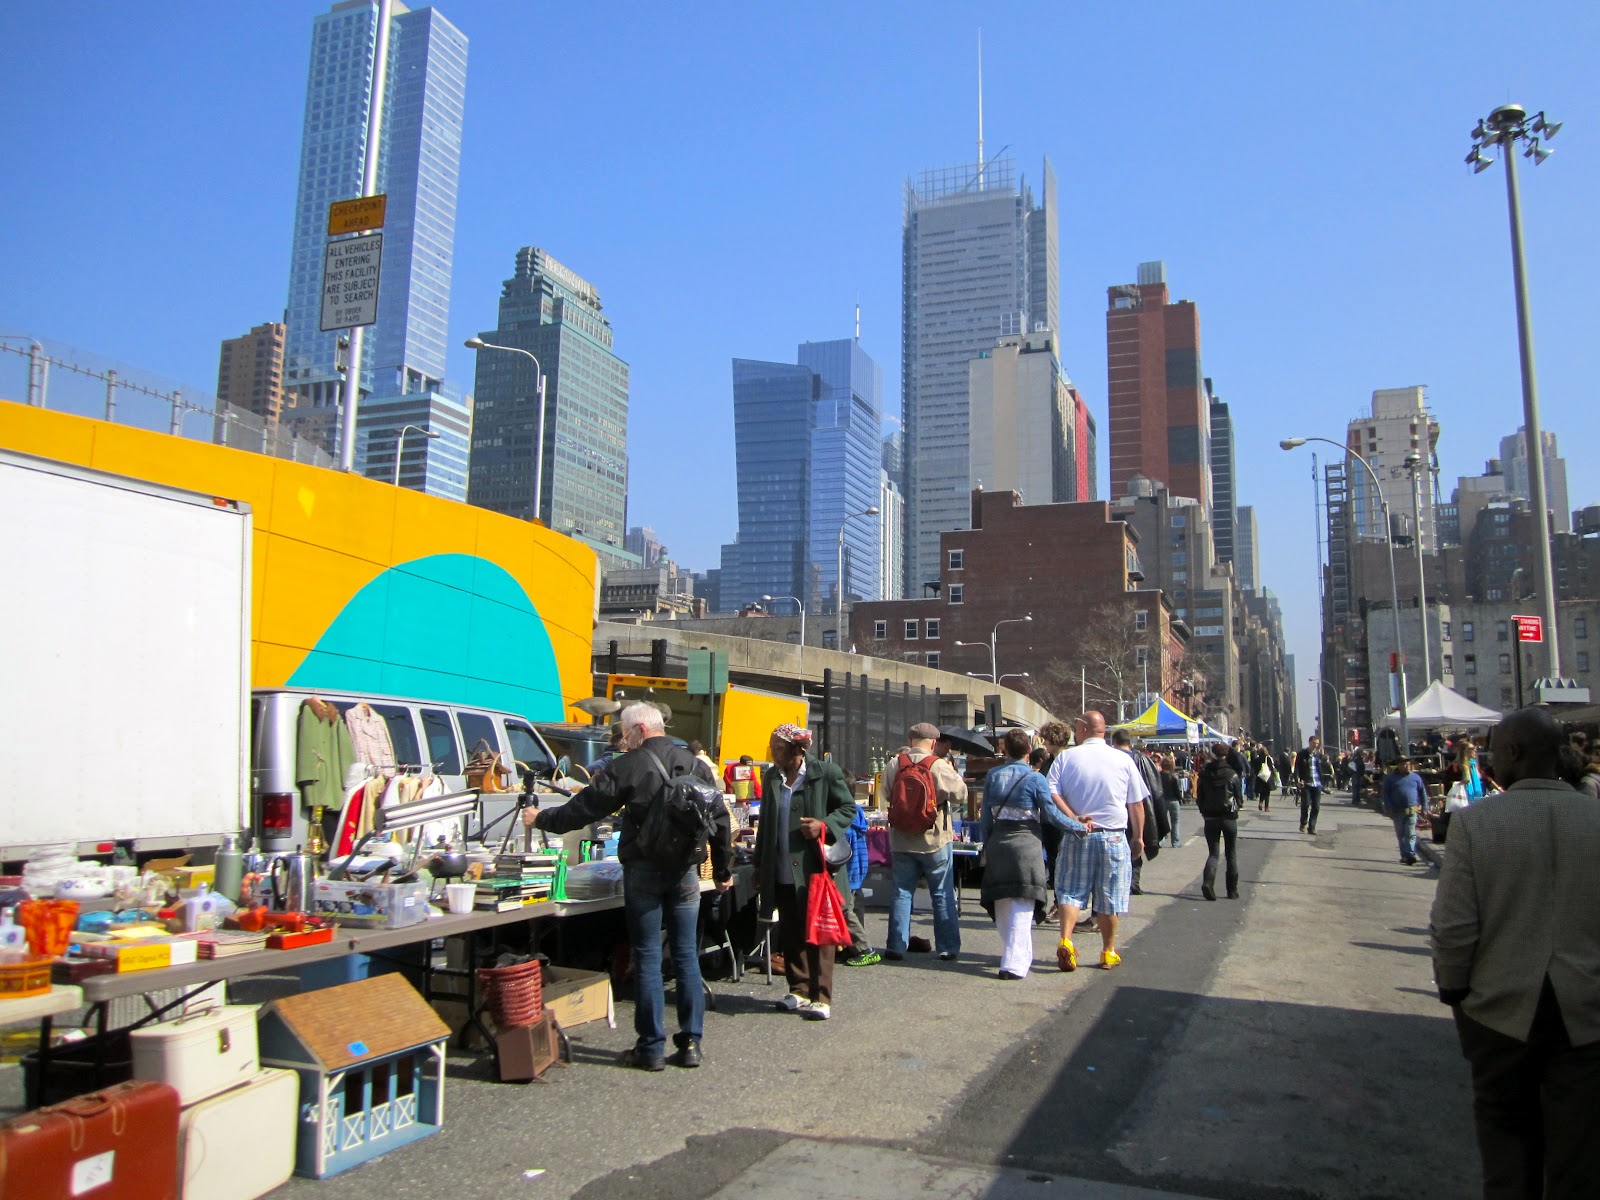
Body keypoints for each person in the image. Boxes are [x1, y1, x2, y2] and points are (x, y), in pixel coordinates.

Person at [1430, 707, 1600, 1197]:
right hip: (1586, 1013)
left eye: (1494, 751)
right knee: (1579, 1150)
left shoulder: (1476, 825)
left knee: (1506, 1139)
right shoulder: (1594, 819)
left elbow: (1454, 928)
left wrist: (1454, 990)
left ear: (1514, 752)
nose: (1488, 760)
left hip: (1499, 1010)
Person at [526, 702, 732, 1070]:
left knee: (648, 956)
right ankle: (691, 1044)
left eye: (625, 734)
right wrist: (722, 869)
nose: (624, 742)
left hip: (643, 871)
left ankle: (650, 1048)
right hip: (685, 872)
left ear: (640, 729)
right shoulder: (696, 765)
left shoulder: (629, 765)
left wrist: (541, 818)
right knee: (686, 955)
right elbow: (719, 817)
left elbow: (584, 808)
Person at [755, 723, 857, 1020]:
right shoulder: (772, 776)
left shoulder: (825, 773)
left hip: (814, 868)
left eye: (778, 748)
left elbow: (848, 809)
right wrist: (760, 865)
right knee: (790, 931)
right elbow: (765, 825)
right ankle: (798, 989)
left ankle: (821, 996)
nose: (773, 753)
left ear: (796, 749)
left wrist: (823, 825)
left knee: (820, 933)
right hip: (781, 866)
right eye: (772, 747)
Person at [1046, 711, 1147, 971]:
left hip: (1079, 833)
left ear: (1082, 729)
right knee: (1109, 896)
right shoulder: (1123, 759)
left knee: (1070, 891)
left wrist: (1072, 817)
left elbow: (1051, 791)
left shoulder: (1066, 757)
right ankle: (1108, 951)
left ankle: (1066, 940)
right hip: (1113, 835)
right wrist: (1138, 837)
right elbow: (1136, 803)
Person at [978, 730, 1080, 979]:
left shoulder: (993, 775)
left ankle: (1015, 955)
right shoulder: (1035, 779)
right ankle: (1014, 963)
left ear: (1005, 750)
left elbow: (985, 818)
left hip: (999, 842)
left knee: (1002, 900)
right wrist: (1078, 826)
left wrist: (987, 845)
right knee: (1023, 902)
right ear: (1028, 751)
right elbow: (1051, 815)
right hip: (1026, 845)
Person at [879, 722, 966, 961]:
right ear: (934, 743)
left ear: (910, 740)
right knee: (942, 894)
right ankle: (947, 947)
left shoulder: (895, 764)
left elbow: (886, 793)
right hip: (934, 838)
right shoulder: (938, 765)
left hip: (902, 839)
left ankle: (896, 945)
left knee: (901, 893)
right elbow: (961, 794)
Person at [1109, 729, 1165, 894]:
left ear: (1114, 741)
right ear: (1129, 742)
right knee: (1135, 845)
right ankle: (1133, 881)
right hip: (1136, 808)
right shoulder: (1140, 759)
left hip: (1115, 809)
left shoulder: (1109, 758)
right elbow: (1153, 787)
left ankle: (1119, 882)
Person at [1195, 742, 1241, 901]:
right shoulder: (1232, 774)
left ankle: (1208, 882)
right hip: (1229, 818)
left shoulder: (1205, 774)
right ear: (1226, 755)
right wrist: (1235, 809)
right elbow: (1239, 798)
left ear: (1212, 755)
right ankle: (1232, 891)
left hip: (1210, 818)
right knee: (1231, 853)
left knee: (1213, 852)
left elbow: (1199, 796)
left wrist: (1204, 811)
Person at [837, 803, 881, 967]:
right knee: (851, 909)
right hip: (857, 870)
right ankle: (851, 948)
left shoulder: (845, 822)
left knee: (845, 911)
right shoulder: (858, 813)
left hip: (847, 873)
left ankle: (865, 949)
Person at [1380, 757, 1427, 866]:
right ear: (1399, 766)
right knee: (1401, 834)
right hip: (1397, 811)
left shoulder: (1416, 778)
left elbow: (1422, 792)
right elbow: (1385, 794)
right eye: (1405, 764)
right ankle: (1404, 855)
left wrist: (1425, 807)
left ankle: (1410, 854)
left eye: (1409, 764)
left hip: (1412, 810)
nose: (1407, 766)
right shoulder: (1391, 778)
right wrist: (1388, 807)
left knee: (1410, 833)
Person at [1293, 735, 1333, 835]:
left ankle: (1312, 827)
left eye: (1317, 744)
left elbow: (1321, 768)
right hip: (1306, 783)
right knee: (1306, 804)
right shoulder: (1302, 754)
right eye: (1314, 743)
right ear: (1309, 742)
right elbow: (1296, 768)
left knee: (1316, 806)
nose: (1316, 745)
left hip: (1317, 783)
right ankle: (1303, 823)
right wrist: (1297, 780)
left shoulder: (1317, 755)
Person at [1159, 754, 1183, 847]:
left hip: (1162, 800)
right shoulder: (1174, 776)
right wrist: (1180, 798)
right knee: (1175, 822)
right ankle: (1175, 842)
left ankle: (1160, 841)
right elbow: (1177, 790)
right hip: (1173, 800)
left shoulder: (1158, 775)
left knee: (1161, 821)